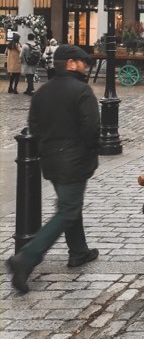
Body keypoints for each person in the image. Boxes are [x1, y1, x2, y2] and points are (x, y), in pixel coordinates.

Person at [6, 44, 101, 294]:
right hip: (74, 160)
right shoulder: (82, 91)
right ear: (70, 64)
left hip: (50, 160)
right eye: (82, 62)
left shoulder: (42, 92)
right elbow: (91, 130)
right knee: (67, 211)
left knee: (69, 204)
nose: (85, 66)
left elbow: (34, 125)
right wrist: (88, 151)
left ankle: (79, 251)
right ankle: (26, 259)